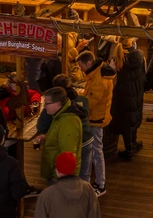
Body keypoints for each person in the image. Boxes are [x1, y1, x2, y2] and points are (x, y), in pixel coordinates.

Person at [76, 51, 114, 196]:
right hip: (97, 116)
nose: (80, 69)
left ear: (89, 63)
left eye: (81, 66)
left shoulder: (98, 81)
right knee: (95, 151)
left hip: (95, 119)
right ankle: (97, 181)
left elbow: (89, 104)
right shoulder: (98, 73)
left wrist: (77, 100)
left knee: (96, 151)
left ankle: (100, 184)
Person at [38, 87, 86, 187]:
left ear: (57, 103)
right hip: (56, 173)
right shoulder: (60, 116)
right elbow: (61, 136)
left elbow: (68, 155)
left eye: (47, 103)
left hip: (60, 178)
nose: (44, 106)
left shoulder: (69, 122)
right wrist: (47, 137)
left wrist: (58, 177)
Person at [111, 41, 147, 161]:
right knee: (134, 116)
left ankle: (128, 149)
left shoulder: (117, 58)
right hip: (137, 91)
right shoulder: (140, 55)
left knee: (125, 120)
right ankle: (133, 142)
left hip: (122, 93)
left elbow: (111, 75)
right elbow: (144, 73)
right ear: (132, 42)